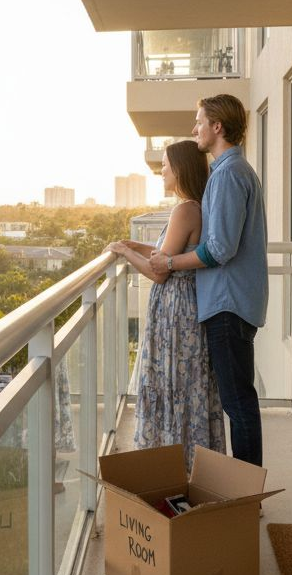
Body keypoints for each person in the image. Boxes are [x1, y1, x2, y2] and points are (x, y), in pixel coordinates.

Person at [150, 95, 268, 466]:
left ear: (217, 127)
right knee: (236, 400)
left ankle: (246, 495)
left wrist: (169, 261)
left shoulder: (230, 174)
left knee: (238, 403)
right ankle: (243, 488)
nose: (194, 129)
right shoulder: (228, 172)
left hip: (228, 304)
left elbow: (219, 249)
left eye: (199, 122)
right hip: (229, 302)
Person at [108, 140, 225, 470]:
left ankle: (171, 466)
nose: (162, 170)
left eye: (166, 165)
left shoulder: (185, 209)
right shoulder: (194, 206)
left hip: (176, 313)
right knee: (186, 387)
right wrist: (136, 245)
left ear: (181, 169)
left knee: (172, 384)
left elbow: (159, 272)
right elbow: (167, 253)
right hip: (186, 308)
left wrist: (124, 252)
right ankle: (189, 466)